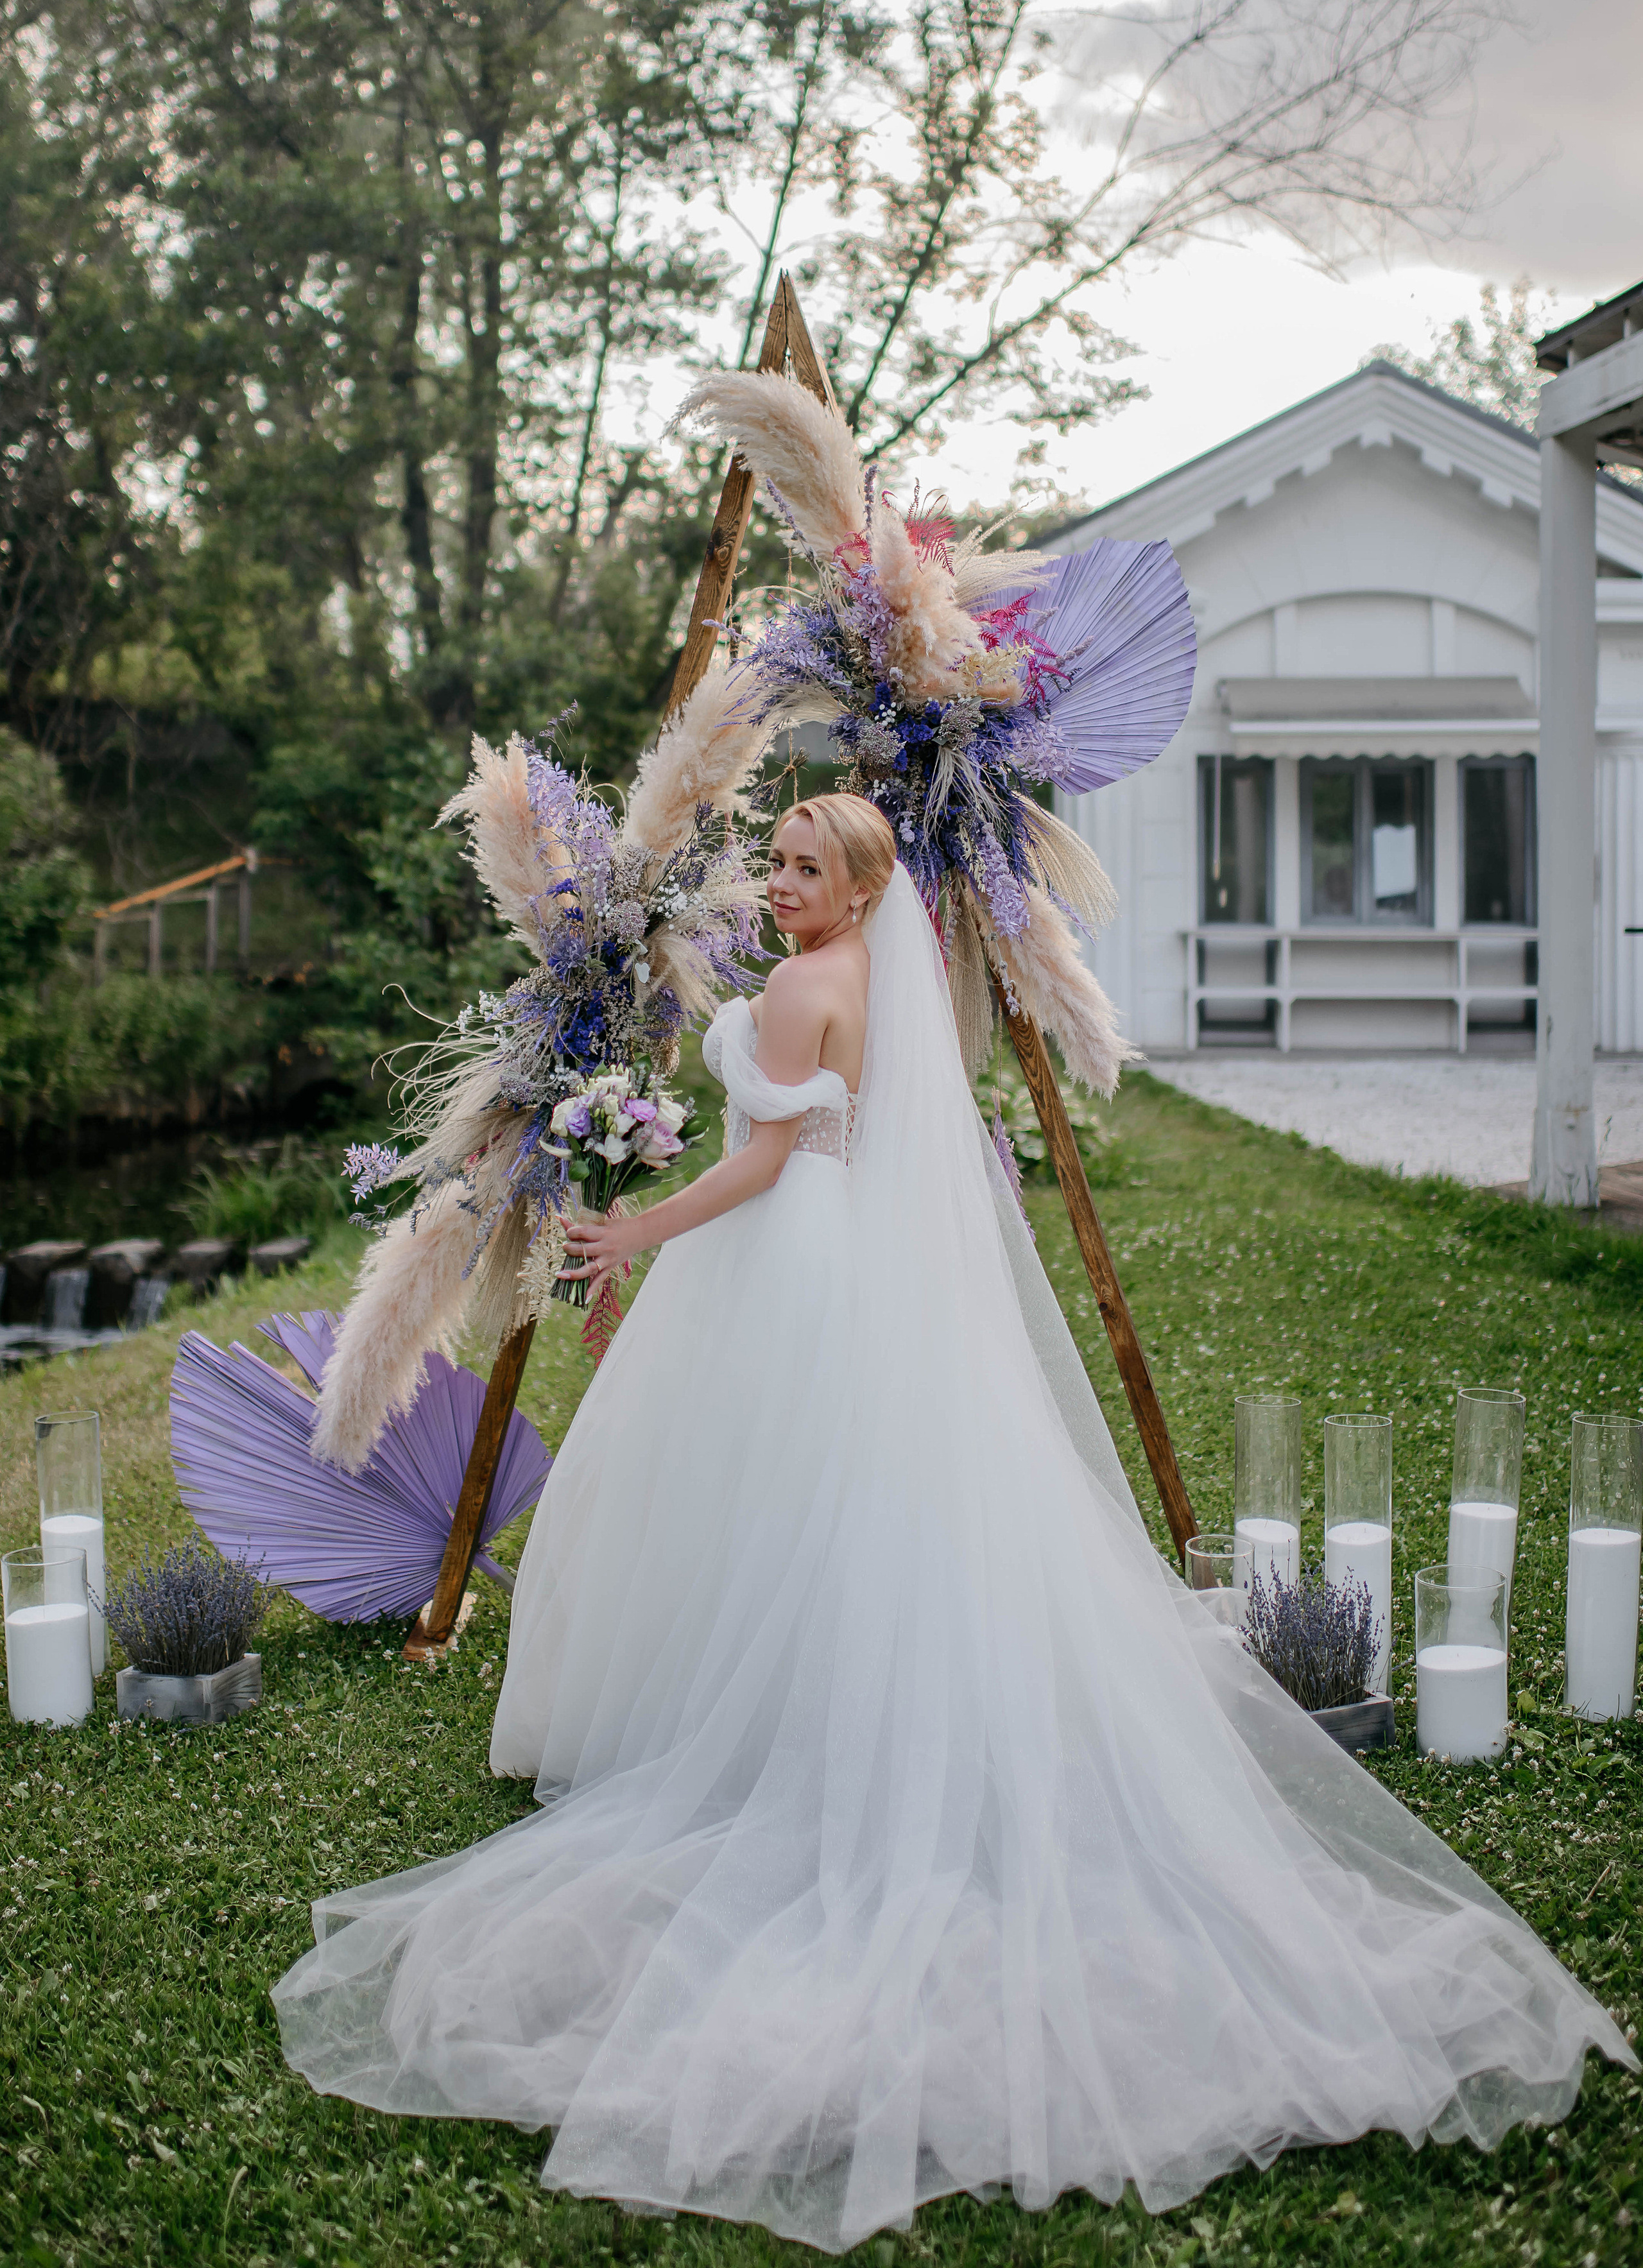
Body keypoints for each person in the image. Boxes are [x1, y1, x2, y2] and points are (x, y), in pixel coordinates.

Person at [274, 793, 1634, 2253]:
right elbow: (808, 1141)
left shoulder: (804, 985)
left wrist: (625, 1231)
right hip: (829, 1259)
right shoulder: (852, 978)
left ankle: (735, 1727)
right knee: (807, 1500)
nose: (782, 886)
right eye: (779, 864)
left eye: (808, 870)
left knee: (756, 1494)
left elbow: (763, 1162)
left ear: (860, 894)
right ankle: (779, 1697)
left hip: (780, 1258)